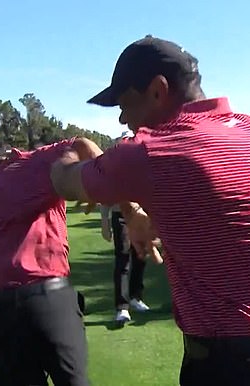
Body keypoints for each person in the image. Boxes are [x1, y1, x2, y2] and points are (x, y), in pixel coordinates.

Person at [51, 35, 250, 385]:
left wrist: (77, 146)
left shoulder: (150, 151)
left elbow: (63, 179)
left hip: (226, 360)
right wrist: (139, 212)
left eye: (125, 104)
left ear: (158, 91)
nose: (124, 119)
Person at [0, 138, 101, 386]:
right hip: (48, 301)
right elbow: (81, 144)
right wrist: (114, 194)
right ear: (10, 154)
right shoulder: (32, 163)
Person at [100, 131, 149, 324]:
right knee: (123, 259)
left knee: (140, 256)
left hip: (142, 216)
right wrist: (104, 222)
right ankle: (122, 307)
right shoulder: (115, 166)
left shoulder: (143, 165)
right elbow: (105, 195)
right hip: (120, 216)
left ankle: (136, 297)